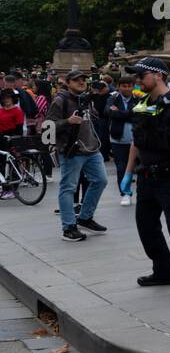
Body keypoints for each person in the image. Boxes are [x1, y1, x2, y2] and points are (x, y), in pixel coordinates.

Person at [118, 57, 170, 297]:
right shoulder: (142, 104)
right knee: (146, 226)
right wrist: (127, 174)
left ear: (158, 76)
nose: (138, 80)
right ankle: (164, 270)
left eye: (141, 75)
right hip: (146, 178)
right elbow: (137, 141)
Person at [46, 70, 108, 242]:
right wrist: (68, 121)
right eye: (76, 80)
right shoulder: (60, 100)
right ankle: (68, 227)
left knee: (101, 180)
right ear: (68, 82)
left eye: (83, 79)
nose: (81, 82)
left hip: (91, 148)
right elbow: (47, 126)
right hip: (72, 150)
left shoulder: (86, 99)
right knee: (68, 187)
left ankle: (85, 217)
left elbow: (93, 119)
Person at [103, 75, 137, 205]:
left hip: (136, 140)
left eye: (129, 86)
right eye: (124, 86)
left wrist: (120, 114)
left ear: (133, 87)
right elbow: (108, 112)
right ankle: (125, 193)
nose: (127, 88)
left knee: (140, 167)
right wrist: (129, 113)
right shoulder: (113, 98)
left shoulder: (139, 99)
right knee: (121, 167)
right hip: (118, 140)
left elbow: (139, 115)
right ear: (119, 87)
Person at [0, 90, 23, 199]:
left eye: (8, 97)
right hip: (1, 138)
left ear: (13, 98)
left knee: (11, 163)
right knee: (1, 164)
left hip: (11, 138)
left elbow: (19, 129)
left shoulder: (17, 111)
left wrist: (14, 139)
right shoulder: (1, 110)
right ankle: (4, 187)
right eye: (4, 98)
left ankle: (12, 189)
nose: (6, 100)